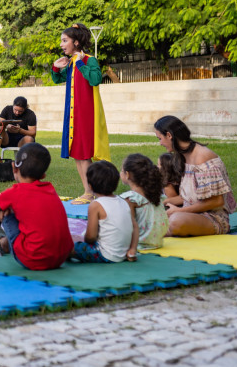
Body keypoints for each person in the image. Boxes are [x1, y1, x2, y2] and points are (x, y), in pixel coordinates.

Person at [0, 143, 73, 270]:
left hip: (33, 259)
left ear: (14, 168)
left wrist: (3, 204)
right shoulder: (49, 189)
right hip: (61, 257)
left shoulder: (16, 192)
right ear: (43, 175)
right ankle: (4, 242)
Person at [51, 23, 110, 204]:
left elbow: (95, 79)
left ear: (76, 42)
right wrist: (56, 67)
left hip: (86, 115)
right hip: (72, 115)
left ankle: (90, 191)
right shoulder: (71, 62)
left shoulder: (89, 60)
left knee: (84, 154)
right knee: (77, 154)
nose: (61, 44)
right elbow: (57, 79)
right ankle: (88, 191)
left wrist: (81, 63)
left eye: (64, 40)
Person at [154, 115, 236, 236]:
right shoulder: (181, 156)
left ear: (169, 135)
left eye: (160, 138)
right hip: (189, 213)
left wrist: (180, 210)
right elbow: (187, 197)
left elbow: (217, 202)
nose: (160, 143)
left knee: (176, 221)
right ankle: (152, 232)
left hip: (213, 218)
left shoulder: (202, 157)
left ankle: (152, 233)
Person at [71, 161, 138, 263]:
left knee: (68, 247)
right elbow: (134, 227)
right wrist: (132, 249)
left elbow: (91, 237)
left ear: (90, 186)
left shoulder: (96, 205)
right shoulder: (124, 202)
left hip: (105, 254)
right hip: (124, 253)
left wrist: (82, 240)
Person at [120, 154, 168, 250]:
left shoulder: (130, 198)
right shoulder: (155, 193)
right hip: (157, 242)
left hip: (139, 245)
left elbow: (126, 227)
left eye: (121, 170)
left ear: (127, 174)